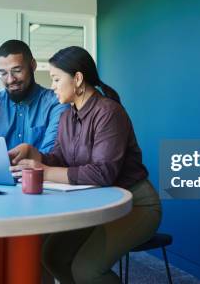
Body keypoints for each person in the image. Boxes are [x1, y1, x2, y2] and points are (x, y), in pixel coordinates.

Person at [9, 46, 162, 283]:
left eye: (57, 79)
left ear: (78, 78)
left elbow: (103, 173)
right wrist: (35, 154)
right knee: (52, 257)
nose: (53, 86)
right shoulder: (67, 116)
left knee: (86, 269)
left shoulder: (109, 113)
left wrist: (46, 172)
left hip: (135, 204)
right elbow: (60, 158)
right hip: (97, 203)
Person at [0, 39, 67, 152]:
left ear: (33, 66)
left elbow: (52, 154)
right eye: (3, 73)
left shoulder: (56, 103)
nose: (10, 80)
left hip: (41, 170)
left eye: (17, 70)